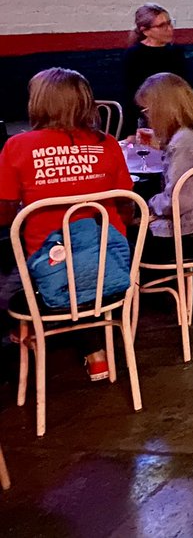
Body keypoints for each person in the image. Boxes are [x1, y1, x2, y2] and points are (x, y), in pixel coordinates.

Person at [0, 68, 134, 381]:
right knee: (79, 261)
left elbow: (6, 213)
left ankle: (26, 327)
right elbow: (125, 204)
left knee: (18, 263)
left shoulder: (18, 146)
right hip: (108, 265)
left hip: (52, 265)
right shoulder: (108, 144)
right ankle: (94, 351)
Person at [133, 73, 193, 262]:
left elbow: (178, 203)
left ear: (161, 109)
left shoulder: (183, 142)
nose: (147, 117)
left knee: (122, 239)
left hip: (191, 236)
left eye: (146, 110)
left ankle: (159, 290)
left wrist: (148, 205)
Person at [122, 4, 187, 136]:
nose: (169, 29)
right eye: (162, 25)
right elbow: (129, 95)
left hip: (177, 117)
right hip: (147, 120)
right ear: (145, 31)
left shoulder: (177, 53)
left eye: (170, 23)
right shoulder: (134, 56)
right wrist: (131, 131)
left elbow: (186, 88)